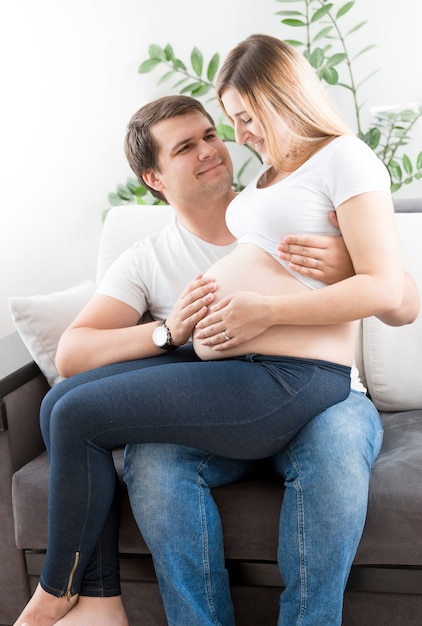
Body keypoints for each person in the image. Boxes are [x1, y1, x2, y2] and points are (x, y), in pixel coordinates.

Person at [14, 45, 419, 625]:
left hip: (299, 379)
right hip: (231, 375)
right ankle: (105, 601)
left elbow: (389, 289)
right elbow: (76, 352)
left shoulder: (333, 163)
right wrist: (171, 330)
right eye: (191, 144)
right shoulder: (255, 192)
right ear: (153, 178)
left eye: (225, 127)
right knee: (61, 404)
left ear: (281, 99)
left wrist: (319, 281)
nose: (223, 143)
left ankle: (63, 595)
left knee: (80, 417)